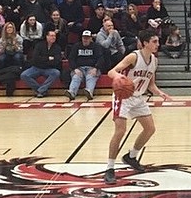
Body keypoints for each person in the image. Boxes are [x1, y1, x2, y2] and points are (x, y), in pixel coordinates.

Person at [104, 29, 173, 184]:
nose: (157, 44)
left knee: (150, 129)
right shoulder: (134, 56)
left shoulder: (154, 60)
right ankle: (110, 168)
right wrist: (119, 77)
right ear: (145, 43)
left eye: (157, 41)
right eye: (154, 41)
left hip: (138, 97)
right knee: (120, 130)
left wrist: (160, 93)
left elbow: (151, 84)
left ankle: (131, 156)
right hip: (123, 96)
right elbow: (111, 71)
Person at [20, 30, 62, 97]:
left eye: (54, 36)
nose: (53, 37)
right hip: (36, 67)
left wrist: (43, 59)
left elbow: (56, 61)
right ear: (47, 36)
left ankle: (40, 91)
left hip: (49, 69)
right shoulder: (39, 45)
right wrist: (48, 58)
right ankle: (42, 90)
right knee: (24, 75)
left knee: (56, 72)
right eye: (51, 36)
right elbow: (35, 58)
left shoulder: (57, 48)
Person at [67, 30, 106, 101]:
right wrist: (75, 68)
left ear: (91, 38)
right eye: (84, 38)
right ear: (82, 38)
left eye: (87, 38)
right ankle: (72, 92)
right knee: (76, 77)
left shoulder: (96, 47)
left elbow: (101, 59)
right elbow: (71, 59)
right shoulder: (76, 46)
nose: (85, 40)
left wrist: (96, 68)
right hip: (79, 68)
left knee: (90, 76)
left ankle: (89, 92)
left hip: (92, 68)